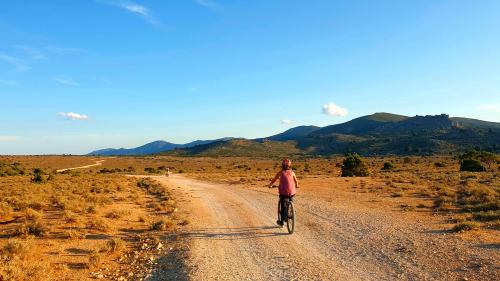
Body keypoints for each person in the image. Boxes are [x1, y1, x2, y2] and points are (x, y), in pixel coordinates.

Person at [268, 158, 299, 227]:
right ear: (289, 166)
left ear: (282, 165)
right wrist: (296, 185)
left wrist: (270, 185)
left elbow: (274, 180)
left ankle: (282, 222)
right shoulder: (292, 172)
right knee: (291, 198)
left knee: (283, 206)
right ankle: (291, 210)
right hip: (292, 192)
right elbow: (296, 181)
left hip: (283, 193)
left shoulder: (280, 172)